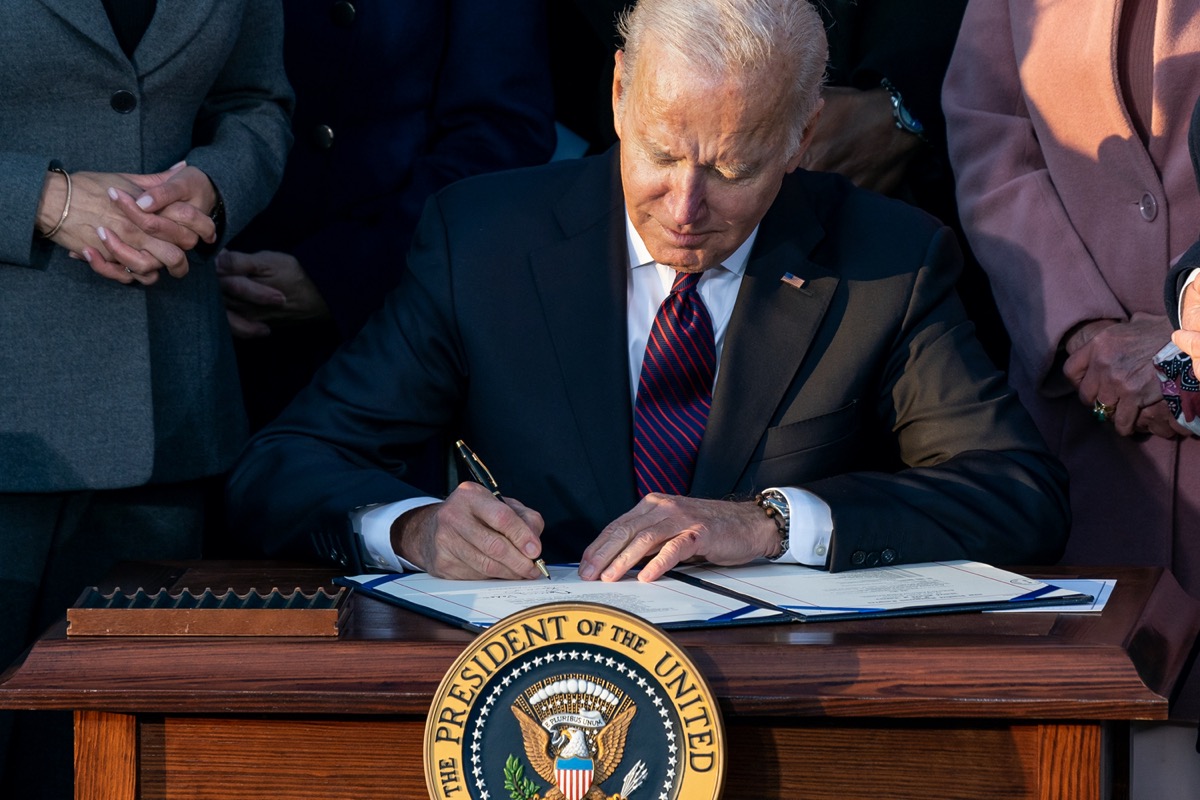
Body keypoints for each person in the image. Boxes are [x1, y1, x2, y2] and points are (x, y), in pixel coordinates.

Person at [227, 0, 1068, 587]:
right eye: (663, 154)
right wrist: (412, 530)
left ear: (801, 137)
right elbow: (283, 467)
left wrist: (773, 524)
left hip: (786, 703)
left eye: (734, 168)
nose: (687, 206)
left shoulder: (887, 260)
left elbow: (1014, 492)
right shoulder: (483, 243)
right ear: (620, 91)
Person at [0, 1, 292, 796]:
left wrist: (212, 186)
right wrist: (42, 200)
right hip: (11, 414)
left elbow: (256, 102)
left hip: (166, 415)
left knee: (112, 772)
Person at [219, 0, 557, 434]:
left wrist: (340, 276)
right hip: (191, 294)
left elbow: (498, 132)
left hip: (380, 324)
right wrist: (194, 253)